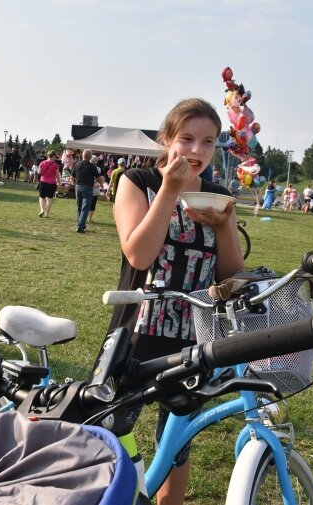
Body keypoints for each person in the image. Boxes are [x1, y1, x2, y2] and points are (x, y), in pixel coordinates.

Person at [107, 98, 244, 505]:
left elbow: (230, 276)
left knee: (177, 450)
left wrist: (223, 228)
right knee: (112, 440)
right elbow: (139, 255)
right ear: (167, 139)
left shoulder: (218, 195)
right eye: (186, 139)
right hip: (136, 338)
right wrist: (168, 190)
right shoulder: (137, 182)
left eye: (208, 141)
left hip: (193, 341)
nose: (197, 151)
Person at [71, 149, 103, 233]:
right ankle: (80, 226)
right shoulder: (92, 166)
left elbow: (72, 177)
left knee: (79, 207)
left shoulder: (77, 164)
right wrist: (102, 185)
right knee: (85, 208)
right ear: (90, 157)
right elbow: (98, 178)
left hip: (78, 187)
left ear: (82, 155)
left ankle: (80, 224)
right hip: (88, 188)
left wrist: (75, 185)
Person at [37, 150, 60, 217]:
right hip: (52, 183)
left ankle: (42, 210)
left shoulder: (42, 163)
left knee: (42, 197)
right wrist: (59, 183)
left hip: (43, 182)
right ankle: (46, 214)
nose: (56, 158)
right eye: (55, 156)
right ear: (53, 156)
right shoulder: (55, 165)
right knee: (49, 199)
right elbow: (57, 175)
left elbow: (39, 172)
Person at [87, 155, 105, 223]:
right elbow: (99, 179)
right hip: (94, 188)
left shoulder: (87, 167)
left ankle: (85, 217)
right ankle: (89, 218)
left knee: (87, 203)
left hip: (88, 187)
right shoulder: (98, 169)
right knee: (93, 204)